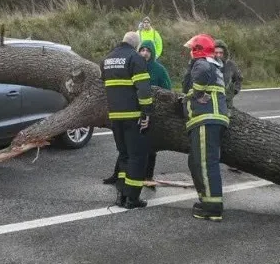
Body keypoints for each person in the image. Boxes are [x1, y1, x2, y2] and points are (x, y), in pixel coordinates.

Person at [102, 39, 170, 185]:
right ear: (138, 51)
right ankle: (118, 175)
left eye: (148, 51)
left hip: (151, 112)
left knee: (149, 147)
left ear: (152, 53)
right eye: (142, 50)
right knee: (127, 148)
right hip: (133, 111)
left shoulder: (159, 69)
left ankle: (147, 176)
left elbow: (167, 90)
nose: (145, 53)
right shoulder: (132, 63)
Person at [101, 31, 154, 208]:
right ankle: (132, 198)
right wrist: (147, 112)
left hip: (115, 116)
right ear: (137, 46)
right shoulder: (135, 59)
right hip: (132, 116)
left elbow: (105, 87)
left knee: (124, 155)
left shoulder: (106, 60)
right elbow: (144, 90)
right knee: (137, 157)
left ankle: (121, 195)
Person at [181, 34, 229, 221]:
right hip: (207, 119)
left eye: (192, 50)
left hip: (206, 119)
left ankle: (212, 207)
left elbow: (197, 80)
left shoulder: (202, 63)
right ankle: (206, 199)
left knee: (205, 163)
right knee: (197, 162)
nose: (190, 54)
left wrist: (197, 92)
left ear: (197, 50)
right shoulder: (213, 65)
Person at [214, 39, 243, 111]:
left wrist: (233, 92)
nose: (218, 55)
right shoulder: (208, 64)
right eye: (216, 52)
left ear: (225, 53)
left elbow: (238, 79)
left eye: (221, 53)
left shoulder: (230, 65)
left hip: (227, 103)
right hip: (211, 102)